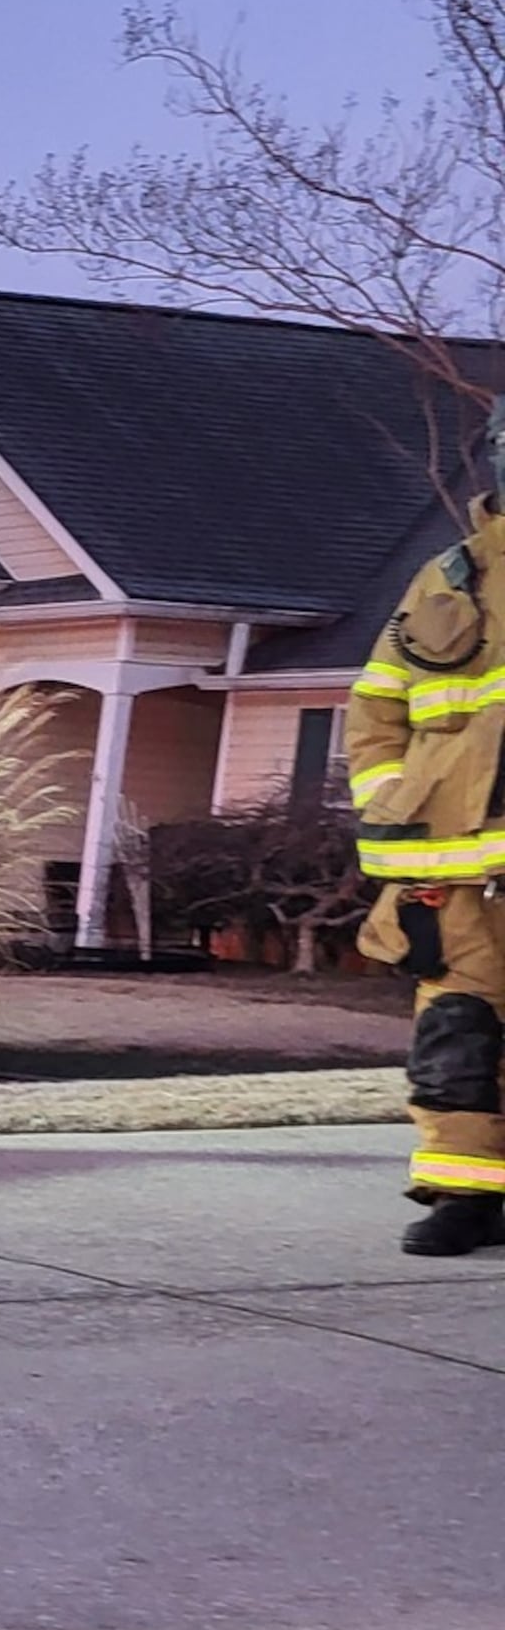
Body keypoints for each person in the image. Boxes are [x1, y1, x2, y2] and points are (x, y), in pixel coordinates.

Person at [348, 403, 505, 1257]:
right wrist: (389, 811)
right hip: (451, 878)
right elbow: (376, 710)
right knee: (456, 1033)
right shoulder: (444, 580)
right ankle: (465, 1198)